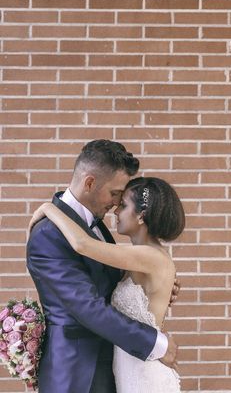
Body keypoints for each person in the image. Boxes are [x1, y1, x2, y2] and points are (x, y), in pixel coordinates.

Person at [26, 140, 179, 393]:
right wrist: (155, 344)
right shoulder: (49, 234)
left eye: (122, 199)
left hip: (116, 367)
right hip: (78, 374)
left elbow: (112, 279)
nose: (116, 205)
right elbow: (88, 307)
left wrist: (157, 285)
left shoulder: (94, 225)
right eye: (115, 193)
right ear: (89, 183)